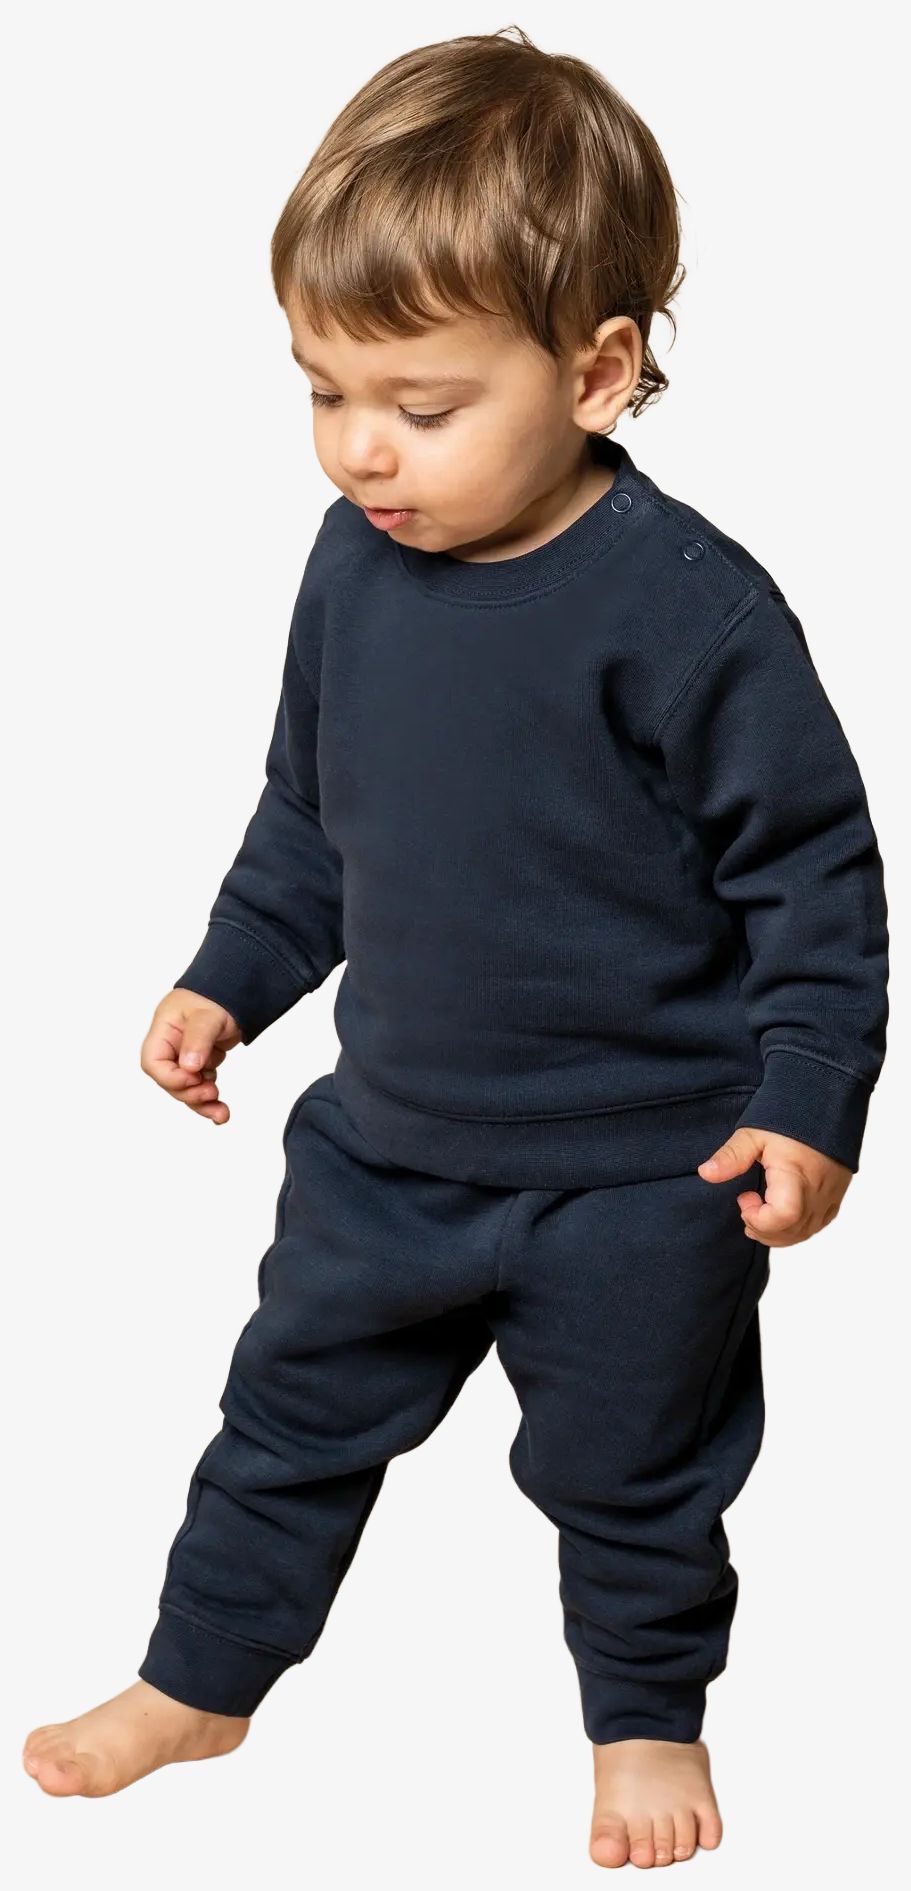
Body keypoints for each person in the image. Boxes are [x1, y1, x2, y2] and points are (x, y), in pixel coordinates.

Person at [22, 26, 889, 1870]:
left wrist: (810, 1101)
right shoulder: (350, 567)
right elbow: (310, 814)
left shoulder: (694, 616)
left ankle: (645, 1718)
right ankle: (202, 1679)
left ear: (598, 370)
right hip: (390, 1151)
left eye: (419, 404)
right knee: (281, 1421)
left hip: (643, 1183)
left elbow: (815, 882)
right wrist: (229, 977)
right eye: (323, 391)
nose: (361, 449)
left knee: (634, 1478)